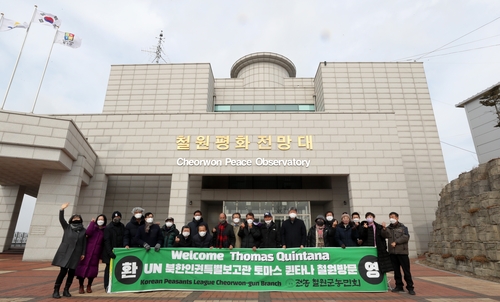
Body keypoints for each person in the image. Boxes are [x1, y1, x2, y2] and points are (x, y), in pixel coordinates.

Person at [51, 202, 87, 299]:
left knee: (71, 272)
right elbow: (61, 219)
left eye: (78, 218)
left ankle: (66, 290)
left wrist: (83, 253)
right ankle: (56, 290)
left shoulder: (83, 230)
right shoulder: (67, 227)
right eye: (74, 218)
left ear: (80, 220)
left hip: (76, 253)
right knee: (63, 271)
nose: (76, 219)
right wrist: (62, 209)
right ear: (71, 220)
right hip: (66, 252)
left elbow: (84, 242)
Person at [381, 212, 415, 295]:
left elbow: (406, 237)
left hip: (402, 252)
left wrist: (396, 242)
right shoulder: (388, 228)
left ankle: (410, 287)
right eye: (390, 217)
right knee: (396, 271)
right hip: (392, 253)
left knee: (406, 271)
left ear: (397, 218)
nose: (391, 218)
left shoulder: (403, 228)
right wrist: (384, 229)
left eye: (393, 217)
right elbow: (384, 235)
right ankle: (399, 286)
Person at [75, 214, 106, 294]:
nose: (100, 220)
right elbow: (88, 233)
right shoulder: (93, 228)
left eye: (102, 219)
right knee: (81, 270)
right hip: (86, 252)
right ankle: (81, 286)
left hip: (95, 254)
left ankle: (89, 285)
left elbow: (103, 243)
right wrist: (92, 223)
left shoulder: (104, 231)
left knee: (92, 271)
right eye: (99, 219)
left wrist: (101, 255)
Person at [102, 211, 125, 292]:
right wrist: (110, 252)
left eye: (118, 217)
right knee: (108, 269)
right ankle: (107, 285)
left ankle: (117, 285)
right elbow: (106, 241)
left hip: (119, 252)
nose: (117, 218)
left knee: (119, 269)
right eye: (115, 217)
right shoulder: (108, 228)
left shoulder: (122, 226)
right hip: (110, 253)